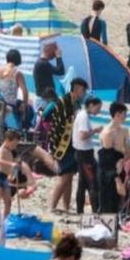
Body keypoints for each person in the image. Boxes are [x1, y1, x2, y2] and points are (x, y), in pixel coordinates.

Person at [47, 78, 88, 214]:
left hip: (72, 144)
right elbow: (57, 122)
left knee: (70, 176)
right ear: (76, 88)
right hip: (62, 145)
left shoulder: (75, 103)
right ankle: (52, 206)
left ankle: (66, 206)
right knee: (64, 177)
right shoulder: (64, 102)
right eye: (83, 90)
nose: (84, 93)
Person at [97, 102, 130, 214]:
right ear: (117, 114)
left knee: (117, 201)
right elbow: (107, 158)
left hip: (119, 165)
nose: (126, 117)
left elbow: (128, 151)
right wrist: (116, 178)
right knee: (107, 201)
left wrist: (123, 160)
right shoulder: (107, 132)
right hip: (108, 170)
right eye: (124, 114)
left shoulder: (124, 131)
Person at [71, 97, 102, 214]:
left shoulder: (82, 114)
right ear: (91, 105)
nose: (98, 111)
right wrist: (95, 131)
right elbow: (83, 136)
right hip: (84, 154)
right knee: (92, 183)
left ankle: (80, 211)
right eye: (98, 108)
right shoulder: (83, 116)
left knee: (82, 184)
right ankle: (95, 212)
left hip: (82, 153)